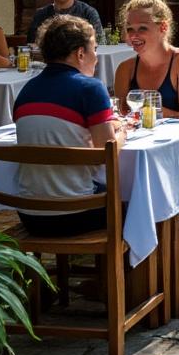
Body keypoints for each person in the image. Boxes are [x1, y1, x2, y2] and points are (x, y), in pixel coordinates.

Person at [12, 15, 125, 236]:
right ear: (80, 53)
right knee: (144, 205)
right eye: (94, 49)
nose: (97, 58)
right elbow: (106, 151)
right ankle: (123, 271)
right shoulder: (90, 88)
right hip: (76, 213)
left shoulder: (26, 90)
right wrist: (121, 132)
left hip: (30, 214)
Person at [113, 0, 179, 120]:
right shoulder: (125, 69)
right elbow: (121, 117)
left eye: (142, 28)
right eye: (130, 29)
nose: (134, 35)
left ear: (163, 27)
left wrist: (149, 110)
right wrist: (174, 115)